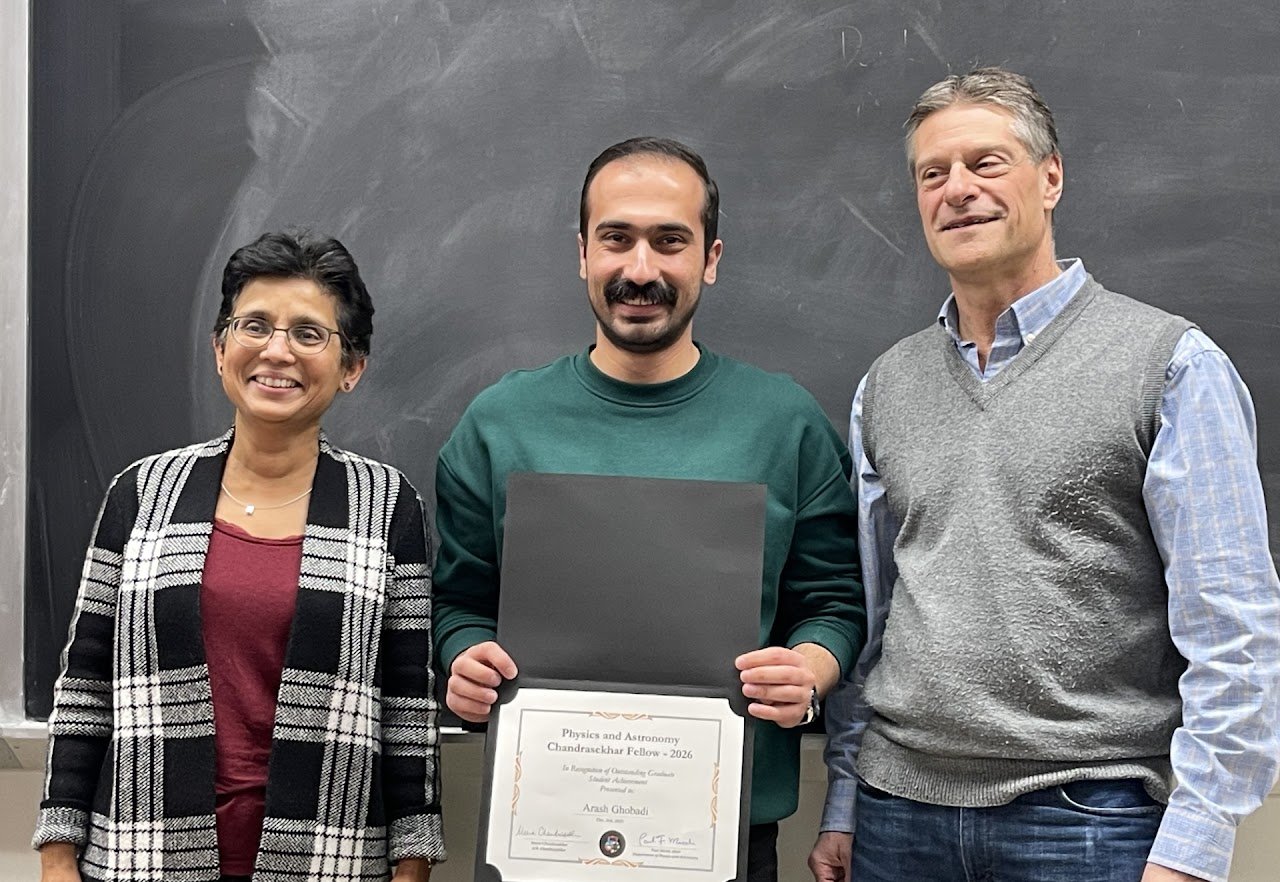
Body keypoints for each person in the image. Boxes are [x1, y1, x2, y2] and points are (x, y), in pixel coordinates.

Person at [810, 68, 1280, 882]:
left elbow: (1233, 625)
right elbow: (876, 616)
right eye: (934, 173)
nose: (958, 190)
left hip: (1088, 823)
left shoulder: (1169, 366)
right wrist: (846, 799)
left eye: (986, 163)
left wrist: (1197, 845)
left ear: (1051, 176)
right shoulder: (886, 386)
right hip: (897, 818)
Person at [432, 136, 866, 882]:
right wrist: (460, 658)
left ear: (712, 258)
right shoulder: (500, 423)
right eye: (617, 239)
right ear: (582, 254)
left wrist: (809, 669)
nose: (641, 270)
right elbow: (457, 602)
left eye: (670, 241)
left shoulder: (784, 422)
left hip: (721, 828)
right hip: (543, 824)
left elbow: (834, 601)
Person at [33, 231, 446, 882]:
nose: (277, 350)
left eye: (309, 333)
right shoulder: (142, 494)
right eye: (255, 325)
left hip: (326, 859)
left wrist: (413, 861)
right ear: (221, 348)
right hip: (144, 856)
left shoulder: (387, 506)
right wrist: (58, 854)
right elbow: (84, 688)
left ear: (351, 367)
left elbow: (407, 709)